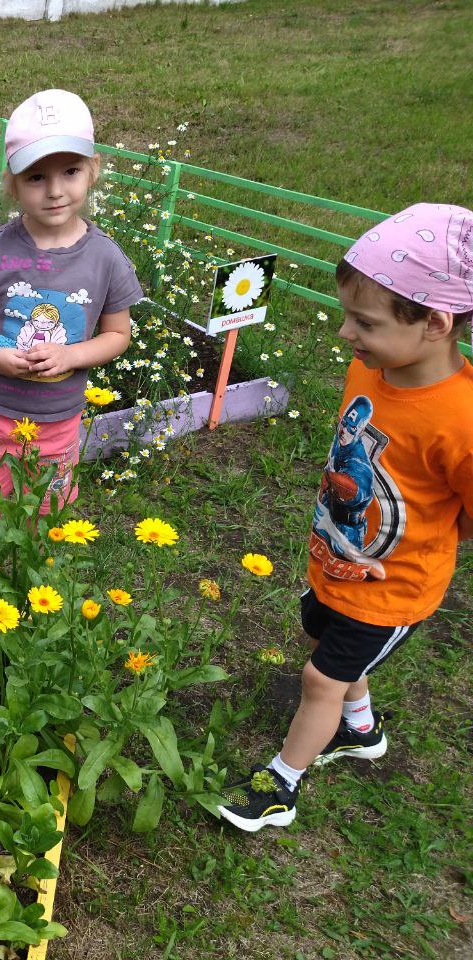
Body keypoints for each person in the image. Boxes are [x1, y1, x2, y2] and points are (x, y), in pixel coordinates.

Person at [218, 203, 473, 831]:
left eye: (365, 322)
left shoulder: (461, 421)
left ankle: (281, 784)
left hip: (392, 588)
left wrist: (426, 542)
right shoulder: (370, 367)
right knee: (319, 635)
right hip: (336, 557)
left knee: (320, 678)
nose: (344, 333)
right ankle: (360, 730)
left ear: (436, 322)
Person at [0, 89, 141, 524]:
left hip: (57, 421)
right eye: (35, 177)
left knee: (42, 514)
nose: (54, 191)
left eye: (70, 171)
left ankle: (27, 570)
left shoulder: (107, 258)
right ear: (12, 184)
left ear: (93, 170)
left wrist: (70, 355)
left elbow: (117, 334)